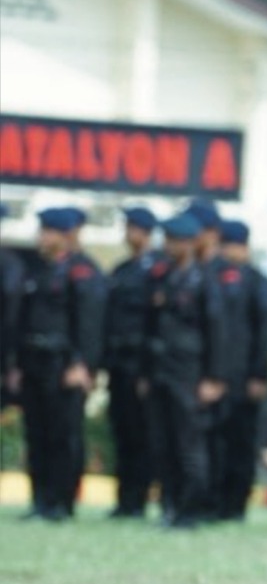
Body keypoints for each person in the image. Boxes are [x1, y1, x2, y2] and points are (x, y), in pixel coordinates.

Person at [14, 206, 105, 521]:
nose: (41, 237)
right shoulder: (38, 270)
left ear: (66, 235)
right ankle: (40, 500)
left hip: (63, 364)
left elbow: (90, 324)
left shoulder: (82, 271)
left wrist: (83, 364)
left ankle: (62, 503)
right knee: (37, 434)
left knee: (64, 436)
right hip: (34, 361)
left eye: (47, 231)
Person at [142, 209, 229, 528]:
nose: (169, 246)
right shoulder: (162, 277)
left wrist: (214, 377)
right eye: (167, 239)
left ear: (191, 243)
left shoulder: (205, 281)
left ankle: (190, 509)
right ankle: (169, 505)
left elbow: (217, 332)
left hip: (190, 374)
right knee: (163, 444)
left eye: (176, 240)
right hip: (162, 370)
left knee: (190, 446)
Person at [206, 219, 267, 521]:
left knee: (241, 444)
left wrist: (259, 374)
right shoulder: (212, 277)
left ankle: (235, 505)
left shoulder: (258, 283)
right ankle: (214, 501)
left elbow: (264, 333)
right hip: (217, 374)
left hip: (245, 377)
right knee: (214, 441)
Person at [103, 205, 163, 519]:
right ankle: (125, 500)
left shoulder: (159, 270)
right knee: (122, 432)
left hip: (144, 365)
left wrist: (148, 370)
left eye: (132, 227)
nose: (128, 234)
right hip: (119, 363)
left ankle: (140, 498)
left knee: (144, 435)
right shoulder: (123, 270)